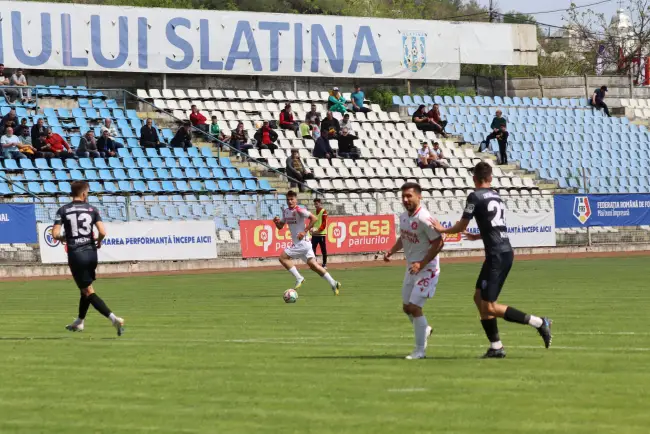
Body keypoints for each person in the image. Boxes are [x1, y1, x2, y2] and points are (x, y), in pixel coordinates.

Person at [431, 162, 552, 358]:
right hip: (501, 252)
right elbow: (496, 227)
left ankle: (539, 322)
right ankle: (496, 347)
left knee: (488, 306)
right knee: (479, 298)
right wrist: (478, 236)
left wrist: (441, 229)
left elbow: (461, 226)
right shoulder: (496, 195)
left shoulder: (474, 196)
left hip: (497, 255)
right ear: (490, 178)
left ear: (474, 179)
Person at [51, 181, 125, 336]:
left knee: (88, 290)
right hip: (92, 253)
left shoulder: (63, 210)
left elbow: (55, 234)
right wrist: (98, 241)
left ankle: (113, 319)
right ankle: (79, 322)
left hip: (76, 254)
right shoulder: (92, 209)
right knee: (85, 288)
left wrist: (65, 237)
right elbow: (103, 232)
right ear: (84, 194)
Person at [383, 182, 445, 360]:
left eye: (409, 196)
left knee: (415, 307)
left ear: (419, 197)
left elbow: (439, 242)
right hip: (412, 268)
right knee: (406, 307)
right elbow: (403, 237)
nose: (405, 199)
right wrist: (391, 251)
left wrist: (422, 263)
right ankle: (424, 329)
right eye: (403, 196)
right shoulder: (403, 217)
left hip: (428, 269)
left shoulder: (425, 218)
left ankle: (420, 350)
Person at [272, 190, 341, 294]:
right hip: (304, 244)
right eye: (288, 199)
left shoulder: (299, 210)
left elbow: (314, 218)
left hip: (302, 243)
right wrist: (276, 222)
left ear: (296, 200)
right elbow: (280, 226)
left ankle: (299, 278)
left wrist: (304, 231)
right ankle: (333, 283)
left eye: (292, 199)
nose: (290, 201)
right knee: (314, 266)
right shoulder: (286, 211)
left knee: (282, 258)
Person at [311, 198, 329, 268]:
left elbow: (324, 223)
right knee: (312, 249)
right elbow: (312, 222)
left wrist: (318, 230)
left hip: (321, 233)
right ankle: (314, 263)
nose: (316, 205)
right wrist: (311, 228)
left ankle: (324, 264)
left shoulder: (323, 211)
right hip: (315, 234)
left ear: (320, 203)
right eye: (315, 204)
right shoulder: (314, 212)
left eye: (317, 203)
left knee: (323, 249)